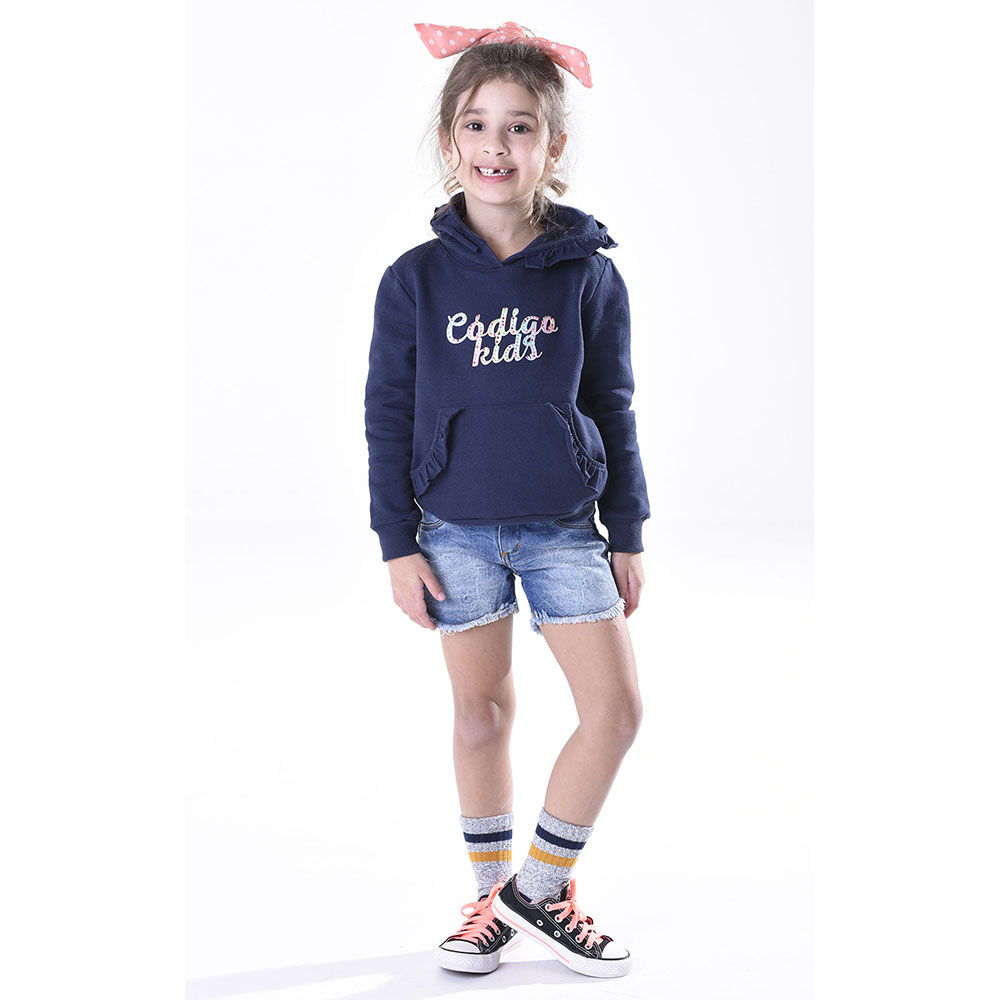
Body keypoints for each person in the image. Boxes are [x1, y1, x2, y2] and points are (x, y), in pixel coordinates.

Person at [364, 21, 650, 980]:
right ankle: (491, 899)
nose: (496, 144)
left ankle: (540, 887)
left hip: (566, 529)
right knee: (480, 713)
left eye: (520, 126)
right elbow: (387, 413)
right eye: (477, 124)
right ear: (451, 141)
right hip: (453, 531)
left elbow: (612, 402)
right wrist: (397, 542)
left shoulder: (587, 273)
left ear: (551, 146)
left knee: (614, 711)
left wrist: (627, 530)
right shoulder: (413, 281)